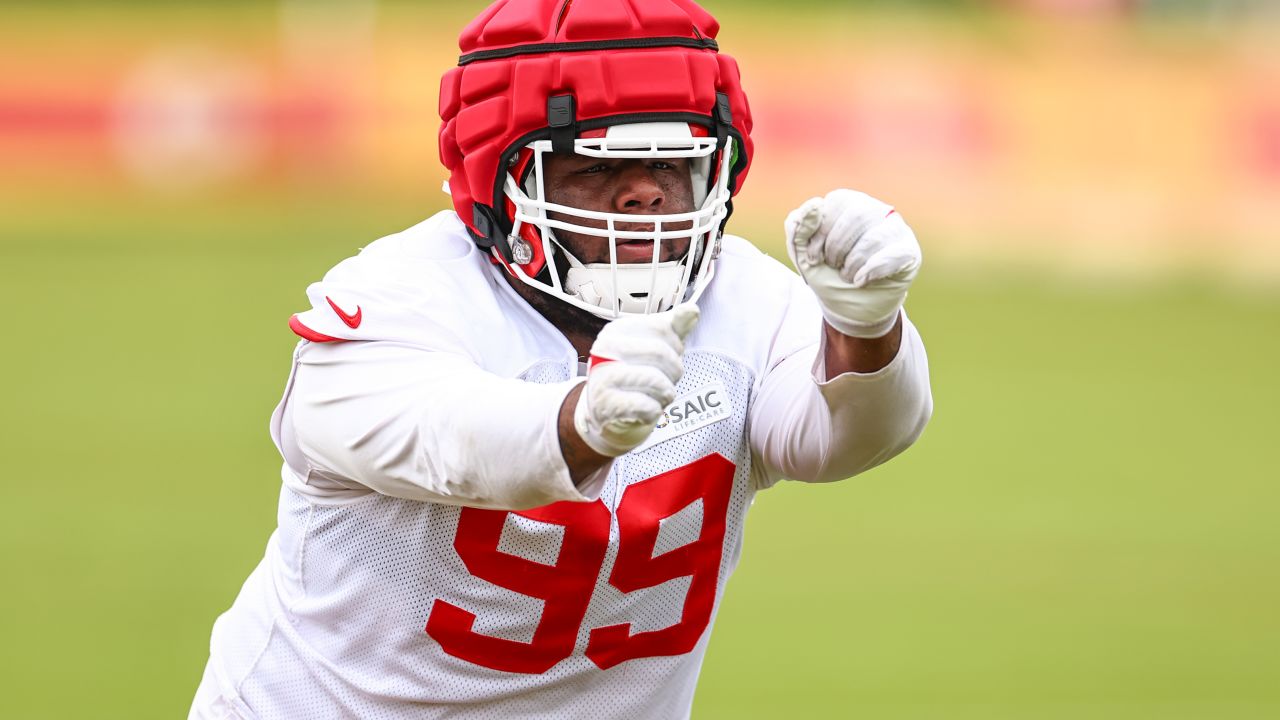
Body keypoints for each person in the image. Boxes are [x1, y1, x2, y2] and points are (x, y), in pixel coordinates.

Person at [189, 0, 932, 717]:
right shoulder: (397, 300)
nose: (646, 197)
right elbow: (452, 445)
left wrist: (864, 324)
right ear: (506, 181)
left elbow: (844, 438)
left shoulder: (743, 297)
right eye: (594, 168)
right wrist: (581, 422)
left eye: (673, 165)